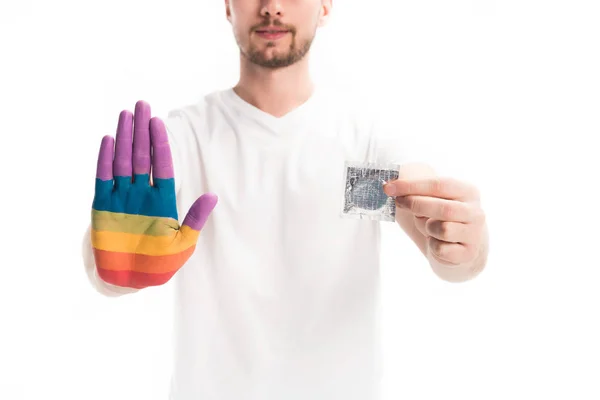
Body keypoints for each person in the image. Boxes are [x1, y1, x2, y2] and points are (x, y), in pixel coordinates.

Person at [82, 0, 490, 399]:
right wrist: (115, 269)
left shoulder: (363, 139)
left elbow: (436, 234)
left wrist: (462, 246)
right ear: (227, 6)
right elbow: (108, 265)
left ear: (325, 6)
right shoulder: (184, 138)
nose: (272, 7)